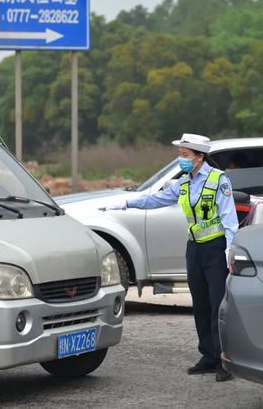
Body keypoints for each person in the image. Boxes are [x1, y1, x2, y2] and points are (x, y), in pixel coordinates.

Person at [103, 133, 238, 382]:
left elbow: (229, 219)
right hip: (194, 249)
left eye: (185, 155)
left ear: (199, 157)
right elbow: (155, 199)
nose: (181, 159)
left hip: (215, 249)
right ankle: (207, 356)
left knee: (217, 306)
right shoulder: (184, 182)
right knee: (200, 305)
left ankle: (224, 361)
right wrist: (124, 204)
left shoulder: (219, 180)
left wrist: (231, 249)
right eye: (180, 154)